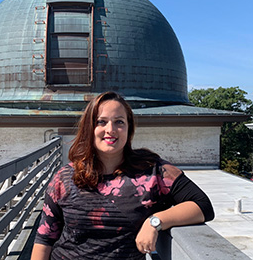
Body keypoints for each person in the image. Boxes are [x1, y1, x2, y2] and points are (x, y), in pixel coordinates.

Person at [31, 91, 214, 259]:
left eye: (119, 122)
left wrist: (155, 222)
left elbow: (202, 205)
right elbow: (45, 238)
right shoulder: (65, 177)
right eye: (101, 122)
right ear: (89, 128)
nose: (110, 130)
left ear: (129, 129)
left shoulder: (152, 171)